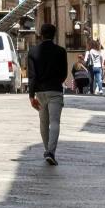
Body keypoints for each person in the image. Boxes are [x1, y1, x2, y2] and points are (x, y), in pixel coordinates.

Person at [27, 23, 70, 165]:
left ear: (40, 34)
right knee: (55, 122)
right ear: (54, 35)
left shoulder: (33, 52)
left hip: (40, 92)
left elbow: (32, 76)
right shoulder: (61, 51)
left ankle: (48, 150)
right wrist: (56, 82)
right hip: (55, 90)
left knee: (43, 122)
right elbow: (64, 74)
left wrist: (31, 96)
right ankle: (50, 151)